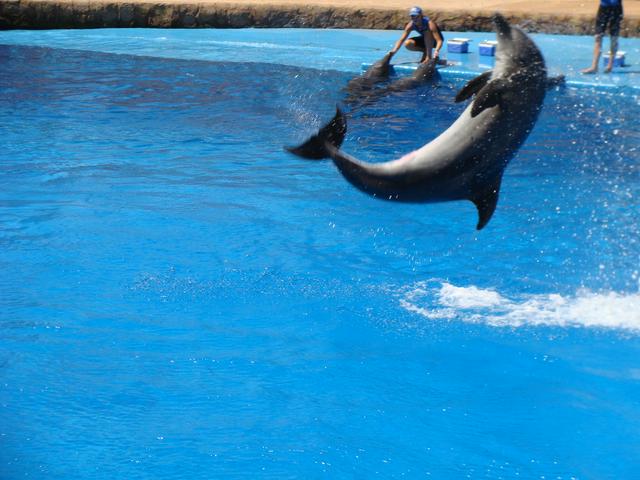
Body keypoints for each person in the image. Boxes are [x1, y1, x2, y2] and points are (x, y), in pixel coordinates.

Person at [581, 0, 624, 74]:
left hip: (616, 9)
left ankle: (610, 65)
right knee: (598, 37)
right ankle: (594, 66)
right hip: (603, 8)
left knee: (614, 38)